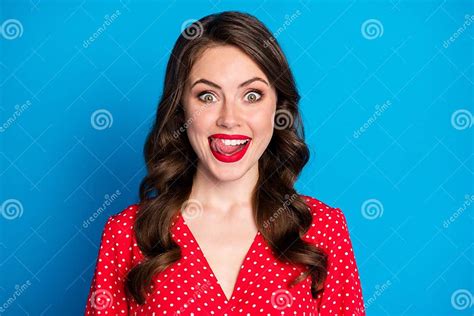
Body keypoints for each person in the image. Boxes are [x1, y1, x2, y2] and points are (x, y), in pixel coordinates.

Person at [85, 11, 365, 315]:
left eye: (252, 95)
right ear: (180, 110)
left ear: (278, 107)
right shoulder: (125, 235)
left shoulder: (323, 229)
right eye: (207, 96)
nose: (229, 119)